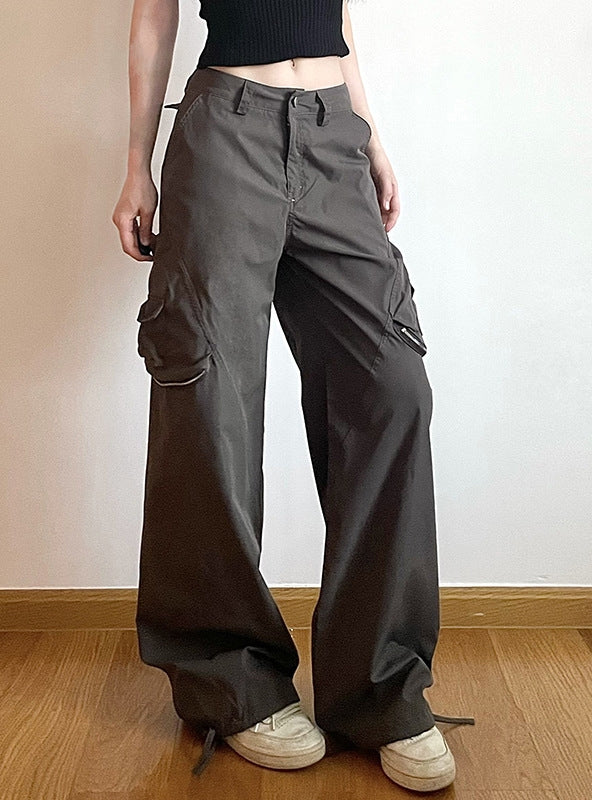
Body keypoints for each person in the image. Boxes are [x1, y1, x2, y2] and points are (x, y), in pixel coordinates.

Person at [112, 0, 475, 792]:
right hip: (225, 131)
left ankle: (382, 689)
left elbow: (337, 17)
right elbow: (153, 18)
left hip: (331, 129)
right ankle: (230, 679)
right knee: (209, 402)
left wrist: (369, 136)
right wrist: (137, 164)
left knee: (393, 390)